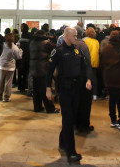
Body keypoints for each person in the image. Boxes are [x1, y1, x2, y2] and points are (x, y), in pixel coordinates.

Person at [47, 27, 91, 164]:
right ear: (67, 36)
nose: (76, 38)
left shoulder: (77, 50)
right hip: (64, 90)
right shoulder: (58, 51)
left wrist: (88, 80)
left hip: (76, 89)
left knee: (71, 118)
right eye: (74, 36)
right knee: (68, 119)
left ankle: (62, 142)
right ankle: (70, 152)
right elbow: (48, 71)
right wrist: (48, 88)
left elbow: (85, 66)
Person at [29, 28, 58, 113]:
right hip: (43, 68)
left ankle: (37, 107)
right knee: (45, 89)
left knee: (36, 90)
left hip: (34, 68)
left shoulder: (32, 42)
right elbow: (55, 48)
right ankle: (50, 108)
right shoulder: (45, 43)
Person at [0, 33, 22, 101]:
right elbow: (18, 57)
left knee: (1, 81)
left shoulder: (3, 45)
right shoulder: (15, 47)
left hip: (2, 65)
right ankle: (6, 97)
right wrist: (20, 51)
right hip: (10, 66)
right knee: (8, 82)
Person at [83, 27, 102, 99]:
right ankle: (95, 95)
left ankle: (87, 94)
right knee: (94, 79)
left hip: (87, 62)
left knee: (87, 78)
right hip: (95, 62)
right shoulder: (96, 41)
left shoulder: (85, 41)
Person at [17, 23, 31, 93]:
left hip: (23, 57)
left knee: (22, 72)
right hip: (26, 57)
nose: (21, 28)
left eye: (21, 27)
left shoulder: (23, 37)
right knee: (26, 72)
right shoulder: (29, 36)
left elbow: (18, 46)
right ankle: (25, 85)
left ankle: (21, 86)